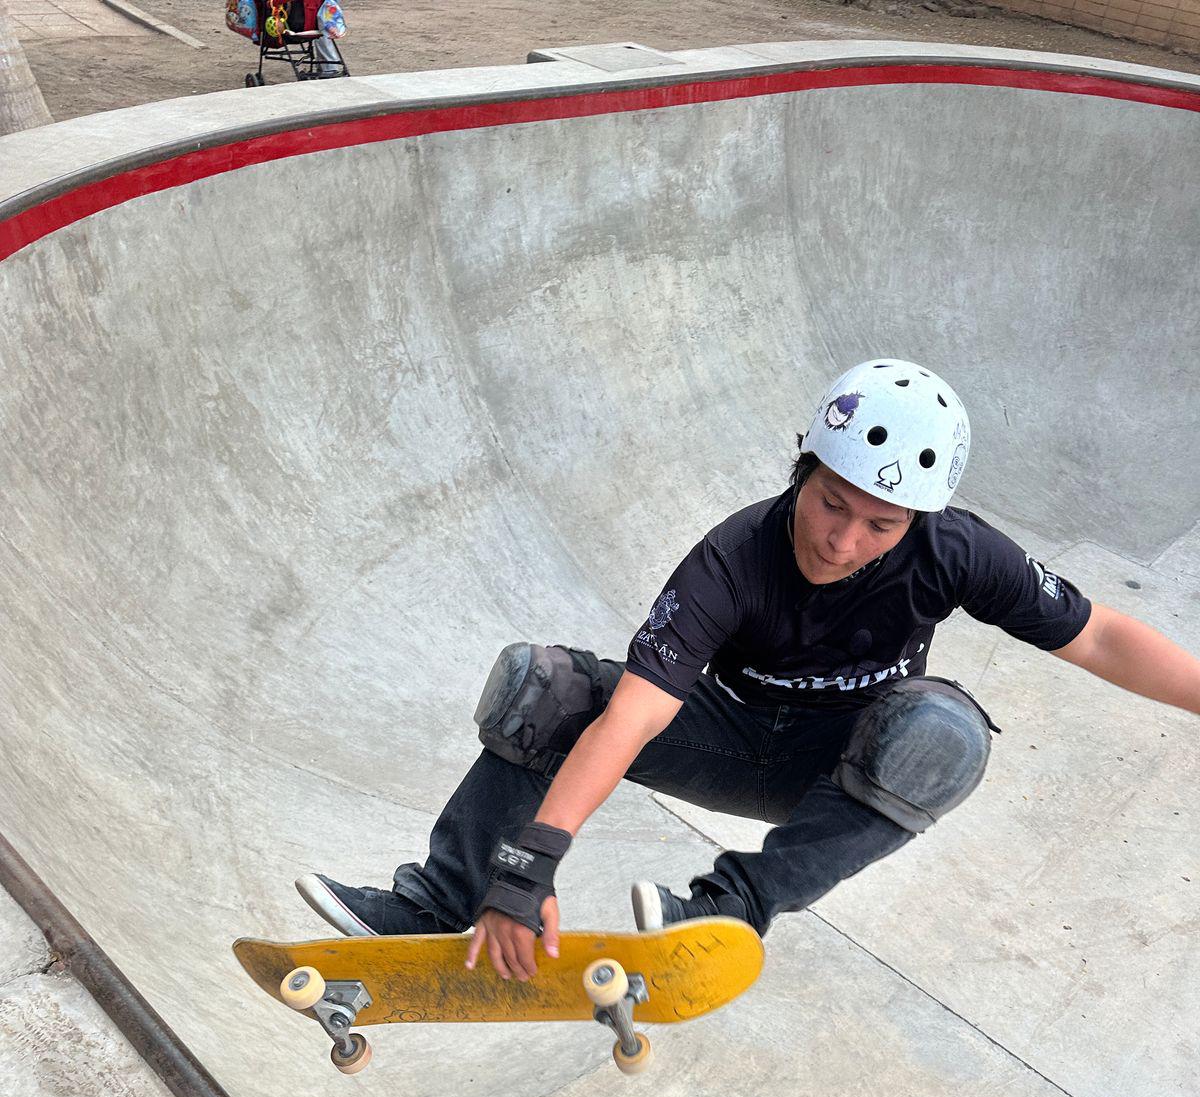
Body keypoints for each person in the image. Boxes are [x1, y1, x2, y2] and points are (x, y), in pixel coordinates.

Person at [296, 358, 1200, 982]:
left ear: (918, 522)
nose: (842, 540)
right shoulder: (731, 559)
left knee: (943, 730)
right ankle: (443, 898)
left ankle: (731, 909)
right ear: (800, 470)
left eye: (879, 528)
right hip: (718, 740)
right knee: (545, 687)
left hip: (840, 768)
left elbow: (1103, 637)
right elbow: (633, 718)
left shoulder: (958, 552)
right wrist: (527, 872)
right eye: (830, 504)